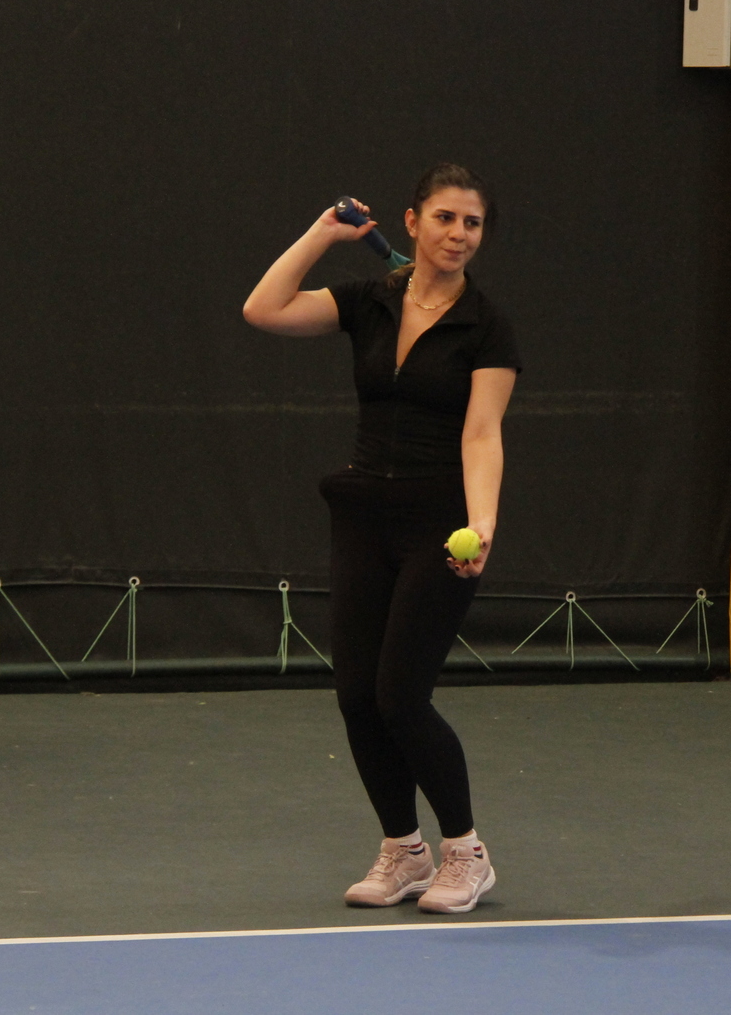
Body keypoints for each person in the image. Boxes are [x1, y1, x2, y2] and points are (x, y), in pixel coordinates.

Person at [242, 164, 520, 914]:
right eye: (445, 218)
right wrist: (322, 235)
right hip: (363, 517)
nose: (458, 234)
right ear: (412, 222)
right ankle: (404, 849)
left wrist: (483, 521)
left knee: (401, 696)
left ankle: (467, 854)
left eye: (472, 223)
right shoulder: (370, 301)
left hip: (440, 525)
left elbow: (482, 432)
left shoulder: (486, 324)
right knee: (357, 698)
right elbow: (263, 308)